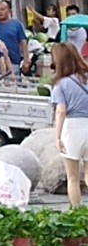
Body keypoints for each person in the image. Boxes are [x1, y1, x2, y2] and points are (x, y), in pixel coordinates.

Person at [51, 42, 88, 207]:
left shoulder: (61, 84)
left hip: (72, 128)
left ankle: (77, 212)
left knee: (73, 177)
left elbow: (60, 111)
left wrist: (57, 137)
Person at [0, 0, 30, 75]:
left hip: (14, 62)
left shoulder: (16, 25)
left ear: (9, 11)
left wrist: (26, 61)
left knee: (13, 85)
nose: (0, 12)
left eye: (3, 9)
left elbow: (23, 43)